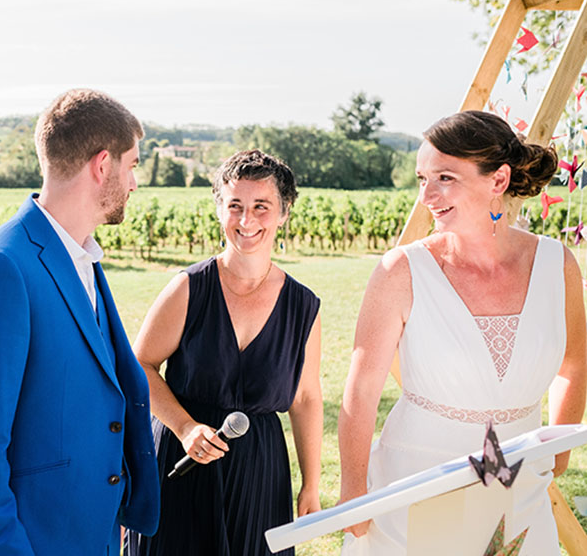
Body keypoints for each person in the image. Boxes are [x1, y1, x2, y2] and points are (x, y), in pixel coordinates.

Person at [339, 110, 587, 555]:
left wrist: (559, 446)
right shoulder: (401, 270)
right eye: (422, 179)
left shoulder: (558, 264)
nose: (427, 195)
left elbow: (574, 361)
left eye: (445, 178)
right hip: (415, 489)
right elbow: (360, 391)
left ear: (498, 180)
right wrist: (354, 490)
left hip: (522, 484)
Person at [0, 88, 160, 556]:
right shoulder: (2, 266)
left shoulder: (81, 257)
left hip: (95, 535)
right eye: (133, 165)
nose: (135, 182)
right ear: (103, 165)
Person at [124, 150, 323, 556]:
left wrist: (312, 485)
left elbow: (305, 399)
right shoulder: (188, 288)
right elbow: (138, 366)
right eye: (235, 206)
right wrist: (184, 428)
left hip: (260, 475)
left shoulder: (303, 306)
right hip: (182, 464)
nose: (246, 221)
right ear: (219, 210)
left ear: (283, 213)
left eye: (260, 207)